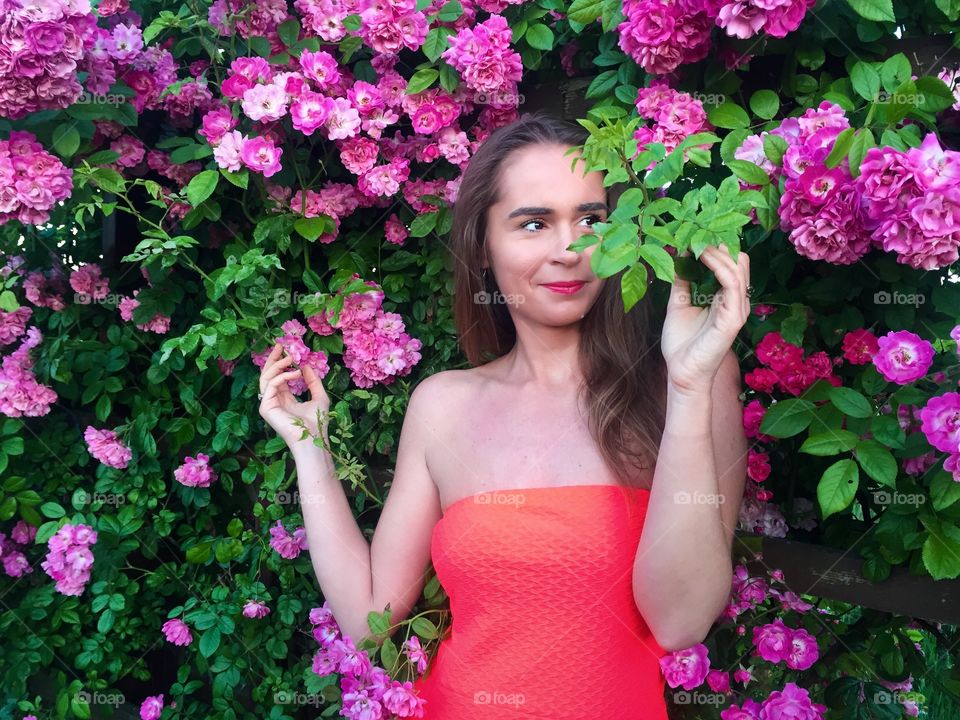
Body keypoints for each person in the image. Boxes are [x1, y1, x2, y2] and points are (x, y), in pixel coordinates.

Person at [258, 111, 750, 719]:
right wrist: (311, 448)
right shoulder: (442, 404)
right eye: (534, 223)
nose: (569, 250)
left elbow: (679, 622)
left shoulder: (689, 381)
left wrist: (690, 384)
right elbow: (369, 618)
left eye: (592, 220)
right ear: (483, 247)